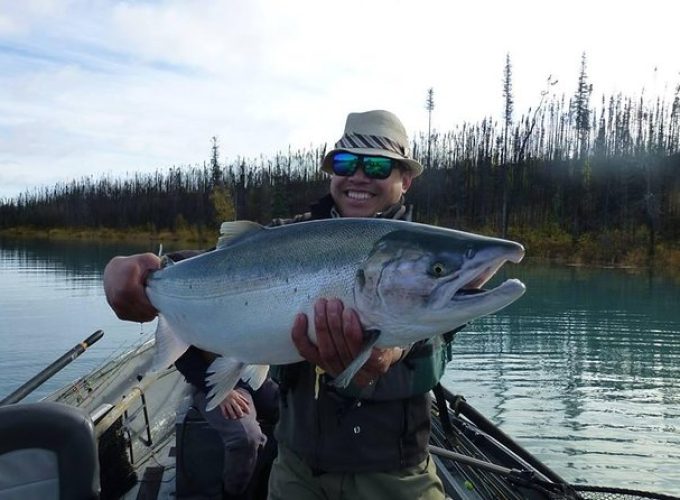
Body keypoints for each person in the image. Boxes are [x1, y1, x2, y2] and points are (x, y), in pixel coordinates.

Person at [103, 110, 451, 500]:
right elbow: (216, 266)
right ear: (332, 173)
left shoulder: (430, 259)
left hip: (395, 472)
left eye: (376, 165)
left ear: (405, 180)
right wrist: (131, 271)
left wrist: (391, 351)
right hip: (297, 468)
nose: (358, 175)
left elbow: (440, 332)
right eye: (344, 162)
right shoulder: (289, 235)